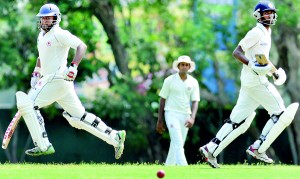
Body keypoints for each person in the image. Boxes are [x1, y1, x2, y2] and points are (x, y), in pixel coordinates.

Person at [16, 3, 126, 159]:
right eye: (43, 18)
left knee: (28, 105)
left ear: (56, 18)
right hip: (55, 83)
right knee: (78, 118)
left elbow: (82, 45)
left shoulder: (59, 33)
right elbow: (42, 56)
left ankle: (43, 145)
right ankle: (115, 137)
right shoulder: (41, 36)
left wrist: (73, 66)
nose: (46, 21)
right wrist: (36, 72)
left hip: (57, 79)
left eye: (49, 18)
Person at [199, 1, 299, 168]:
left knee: (236, 120)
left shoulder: (267, 32)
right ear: (258, 15)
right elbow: (236, 52)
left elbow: (262, 59)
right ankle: (258, 147)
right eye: (266, 13)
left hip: (249, 82)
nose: (270, 15)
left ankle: (210, 149)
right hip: (256, 81)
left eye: (271, 12)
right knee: (280, 113)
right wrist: (251, 65)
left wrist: (274, 71)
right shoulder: (256, 32)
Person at [156, 55, 200, 166]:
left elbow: (195, 101)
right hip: (171, 113)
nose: (184, 67)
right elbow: (162, 99)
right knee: (177, 141)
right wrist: (160, 120)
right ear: (178, 66)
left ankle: (168, 167)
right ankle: (184, 167)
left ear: (189, 67)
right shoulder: (169, 80)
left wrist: (192, 118)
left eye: (186, 65)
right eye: (182, 65)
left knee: (177, 143)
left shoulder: (193, 82)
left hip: (186, 115)